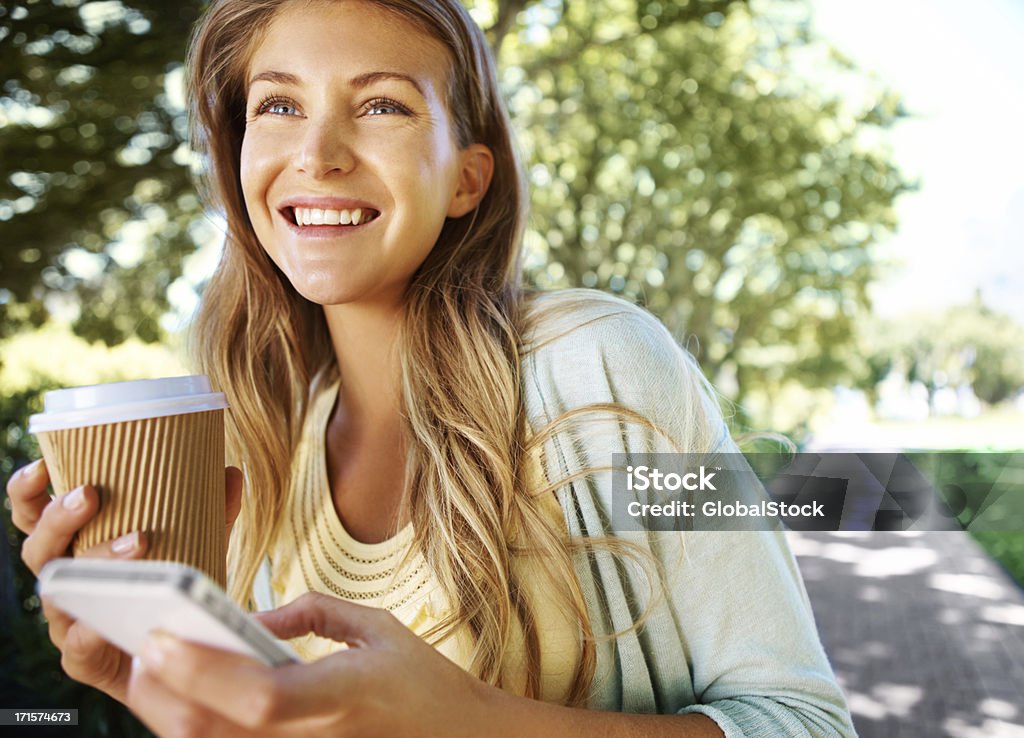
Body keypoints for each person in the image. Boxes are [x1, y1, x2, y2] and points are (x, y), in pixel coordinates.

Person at [7, 0, 858, 735]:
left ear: (467, 177)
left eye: (381, 105)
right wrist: (139, 680)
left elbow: (804, 722)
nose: (318, 153)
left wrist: (475, 725)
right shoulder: (270, 451)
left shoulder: (602, 366)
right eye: (277, 106)